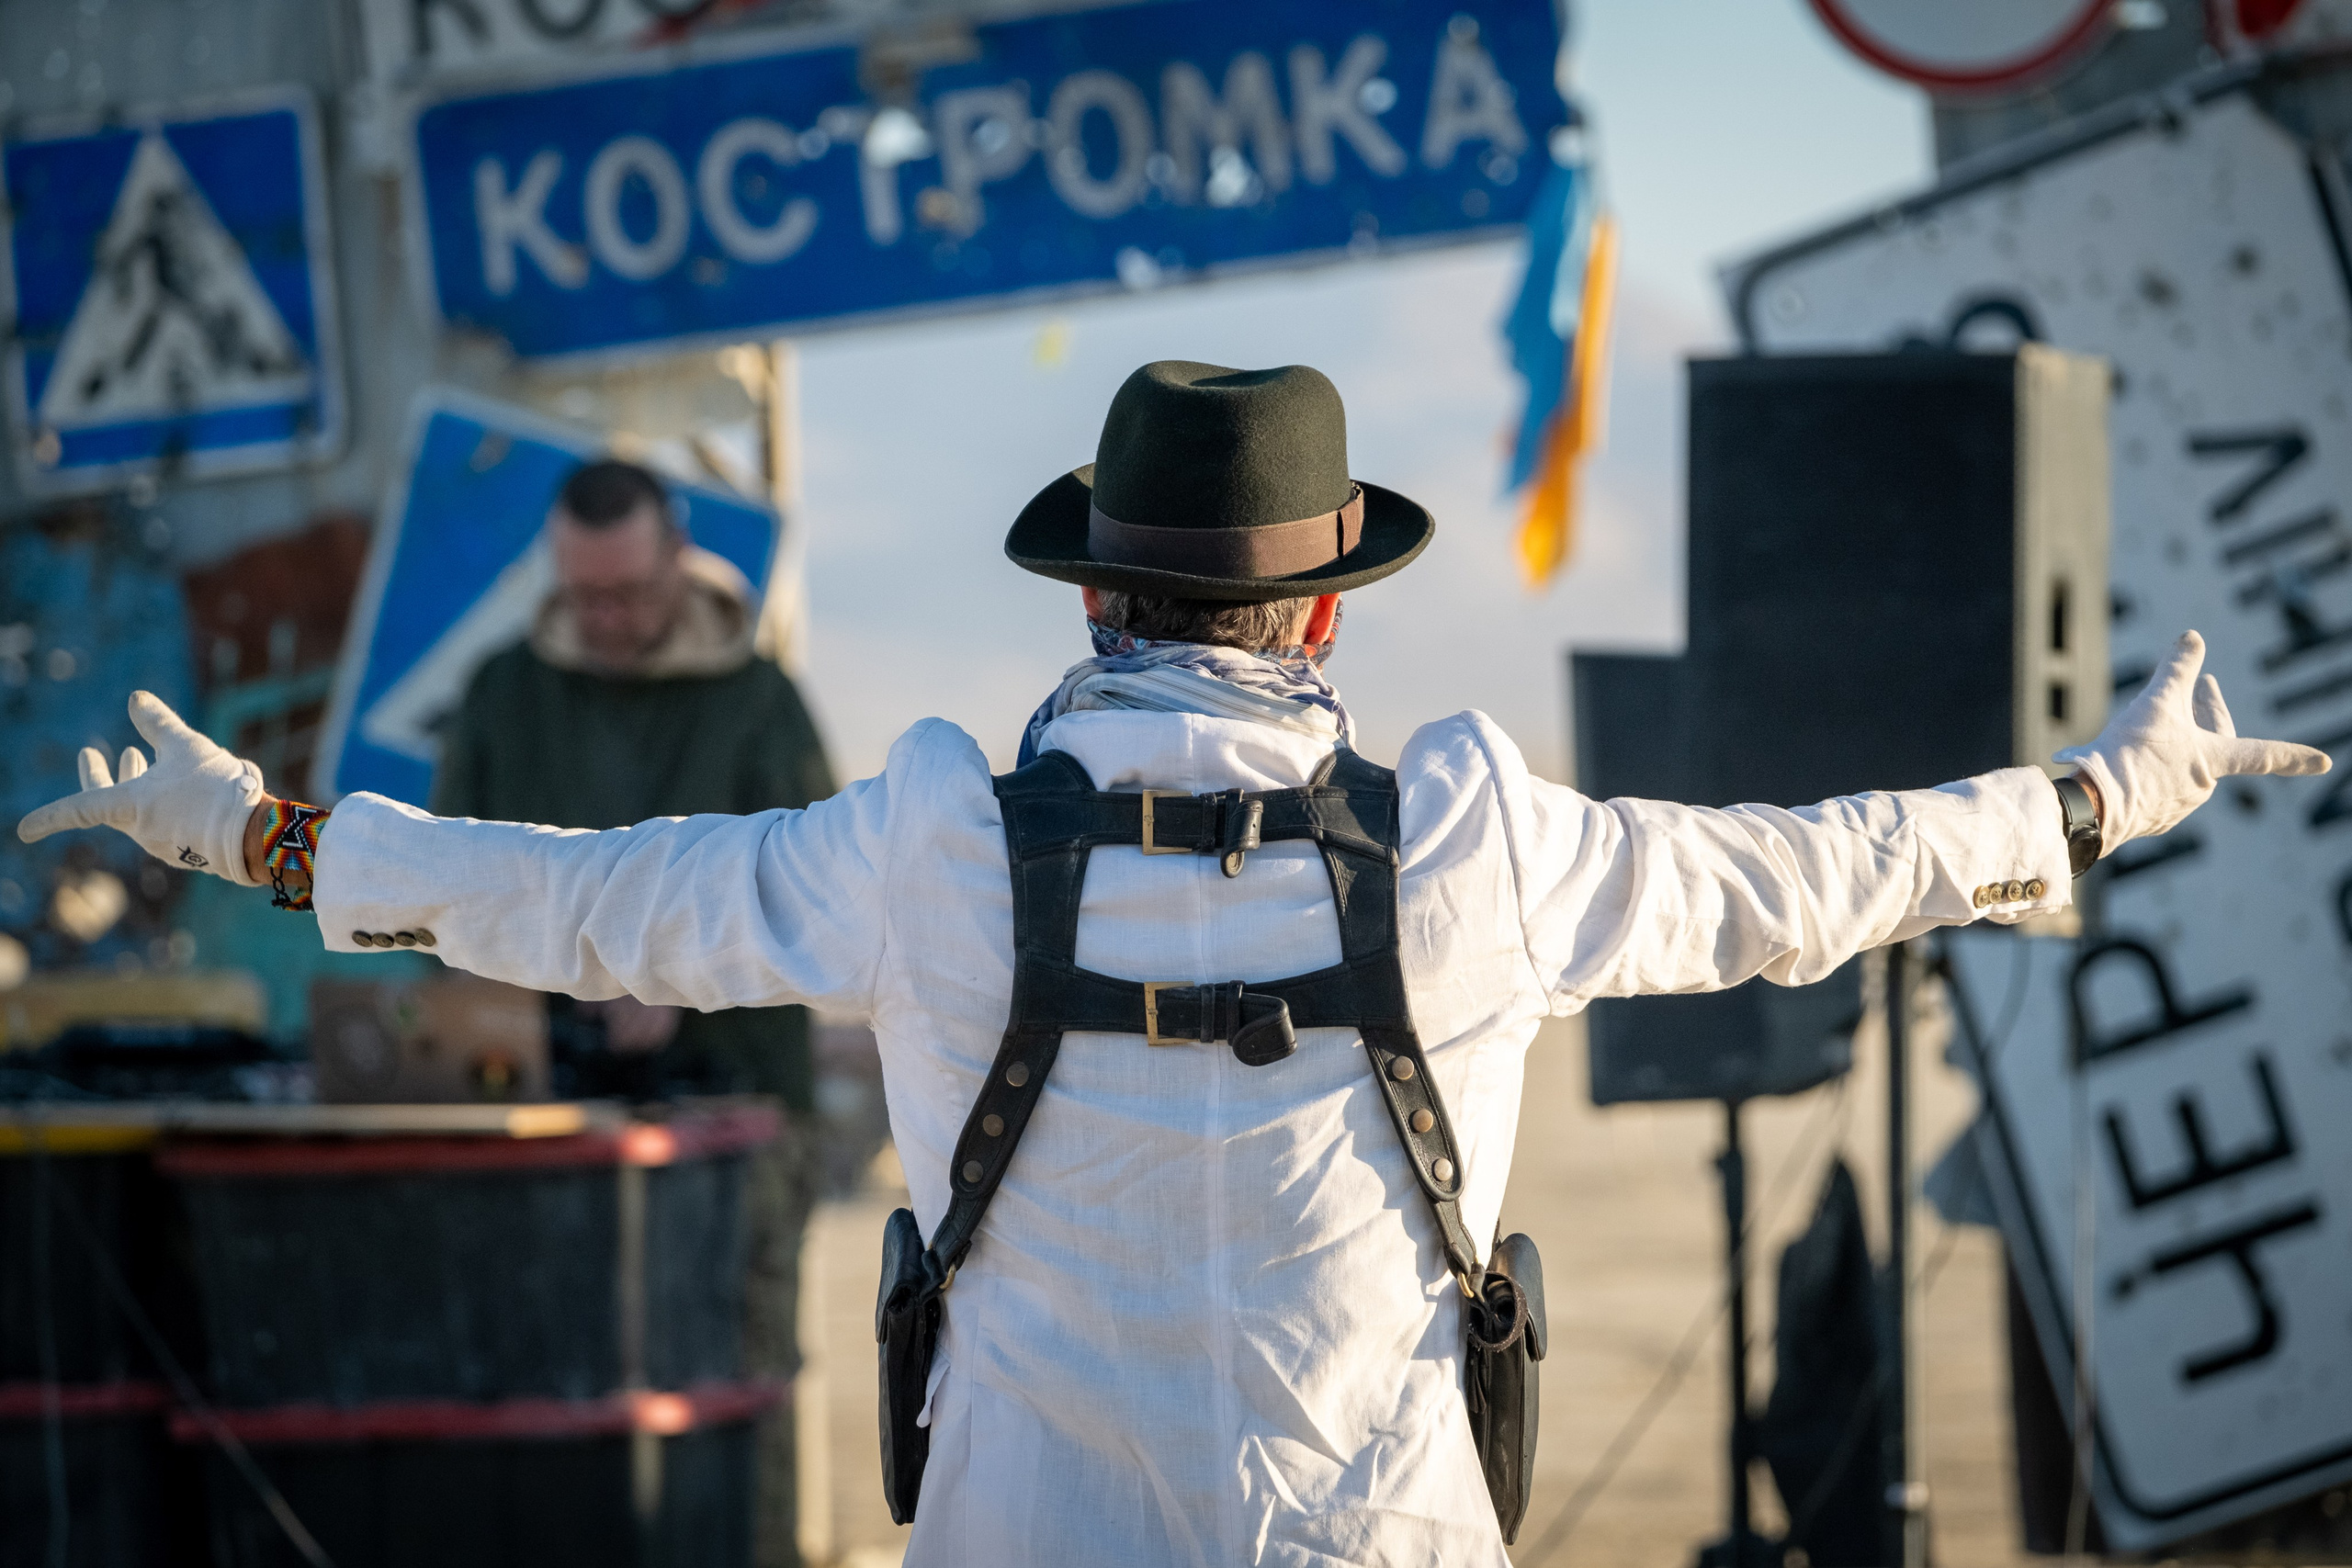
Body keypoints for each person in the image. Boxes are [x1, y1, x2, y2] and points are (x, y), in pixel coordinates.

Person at [22, 361, 2327, 1567]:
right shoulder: (1469, 842)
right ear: (1325, 609)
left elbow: (592, 892)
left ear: (1093, 596)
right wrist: (2099, 795)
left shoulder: (937, 838)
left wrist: (264, 831)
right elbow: (1814, 869)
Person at [431, 456, 836, 1568]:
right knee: (542, 1380)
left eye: (630, 593)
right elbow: (439, 891)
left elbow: (829, 903)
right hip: (539, 1111)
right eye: (585, 595)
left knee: (733, 1374)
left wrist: (682, 974)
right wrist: (493, 981)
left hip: (739, 1103)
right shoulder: (503, 693)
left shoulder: (759, 699)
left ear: (680, 563)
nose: (607, 619)